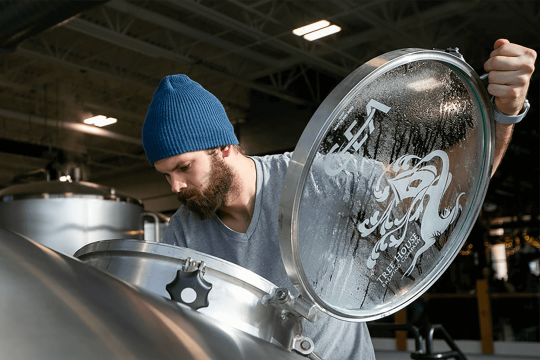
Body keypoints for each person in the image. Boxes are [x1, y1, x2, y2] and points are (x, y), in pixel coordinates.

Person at [140, 39, 535, 359]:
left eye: (183, 167)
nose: (175, 187)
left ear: (224, 147)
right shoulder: (183, 232)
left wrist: (503, 114)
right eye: (166, 176)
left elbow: (441, 189)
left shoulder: (321, 178)